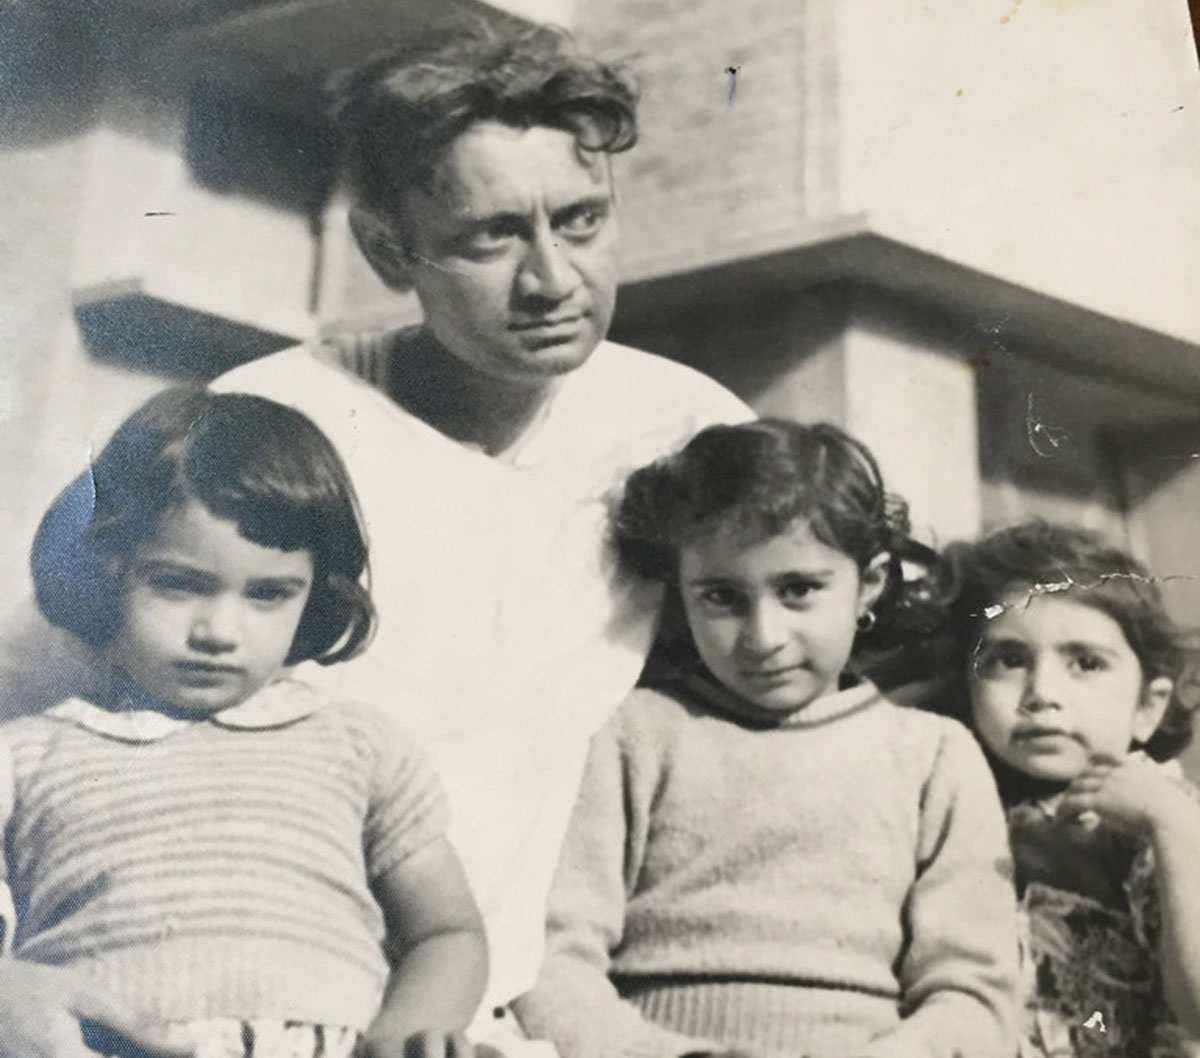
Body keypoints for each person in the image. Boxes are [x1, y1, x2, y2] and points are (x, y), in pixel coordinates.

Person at [0, 19, 750, 1056]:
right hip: (222, 1006)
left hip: (499, 1019)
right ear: (388, 248)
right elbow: (26, 702)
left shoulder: (689, 428)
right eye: (491, 236)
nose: (552, 279)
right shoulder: (267, 424)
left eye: (581, 221)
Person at [2, 388, 487, 1058]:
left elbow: (448, 932)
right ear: (106, 572)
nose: (219, 631)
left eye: (268, 594)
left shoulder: (359, 746)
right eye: (178, 583)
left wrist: (403, 1035)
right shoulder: (25, 756)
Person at [512, 420, 1019, 1058]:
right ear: (680, 594)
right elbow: (553, 960)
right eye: (723, 597)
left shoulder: (933, 756)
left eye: (798, 590)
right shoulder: (633, 733)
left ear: (868, 583)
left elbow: (974, 995)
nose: (763, 637)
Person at [942, 521, 1200, 1057]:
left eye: (1086, 663)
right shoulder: (958, 797)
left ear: (1149, 706)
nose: (1041, 693)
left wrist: (1172, 827)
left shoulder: (1159, 814)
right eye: (1009, 660)